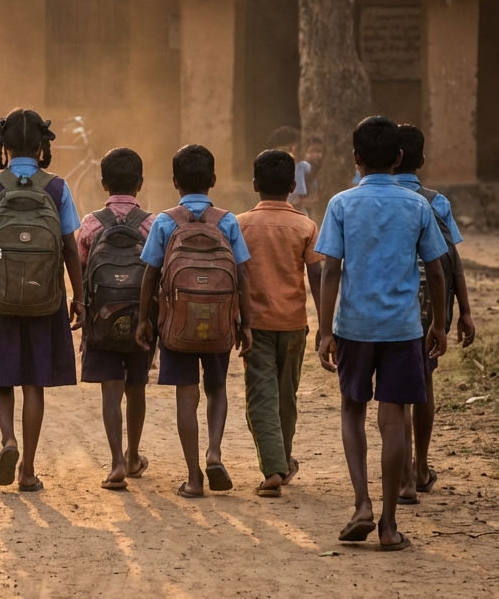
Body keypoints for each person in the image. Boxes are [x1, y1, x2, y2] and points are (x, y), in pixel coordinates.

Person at [316, 116, 449, 552]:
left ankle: (361, 505)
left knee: (352, 410)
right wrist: (440, 323)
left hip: (354, 326)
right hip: (402, 328)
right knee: (394, 420)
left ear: (355, 159)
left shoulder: (340, 204)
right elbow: (436, 268)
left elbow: (331, 269)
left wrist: (324, 329)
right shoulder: (418, 206)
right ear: (398, 158)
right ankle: (390, 526)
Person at [0, 108, 84, 493]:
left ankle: (8, 441)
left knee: (3, 376)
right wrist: (78, 296)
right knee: (34, 383)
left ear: (5, 146)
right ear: (43, 146)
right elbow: (69, 248)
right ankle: (28, 470)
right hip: (45, 299)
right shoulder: (58, 188)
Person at [136, 144, 253, 498]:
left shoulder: (165, 221)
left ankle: (193, 477)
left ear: (175, 182)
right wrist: (245, 323)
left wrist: (145, 320)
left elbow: (151, 275)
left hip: (177, 325)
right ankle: (214, 452)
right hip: (220, 322)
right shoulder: (228, 221)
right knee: (217, 388)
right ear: (214, 180)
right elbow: (242, 276)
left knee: (186, 397)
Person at [394, 123, 476, 503]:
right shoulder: (435, 201)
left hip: (391, 298)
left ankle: (404, 472)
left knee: (395, 390)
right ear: (421, 160)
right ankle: (421, 467)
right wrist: (464, 312)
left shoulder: (376, 198)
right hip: (432, 301)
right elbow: (451, 259)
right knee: (423, 381)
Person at [237, 149, 322, 498]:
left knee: (262, 397)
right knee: (286, 395)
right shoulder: (305, 225)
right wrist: (326, 327)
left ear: (255, 184)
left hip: (255, 325)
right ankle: (283, 461)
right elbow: (317, 275)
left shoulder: (240, 224)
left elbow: (234, 275)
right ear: (292, 185)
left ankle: (274, 468)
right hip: (293, 324)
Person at [77, 147, 155, 490]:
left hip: (101, 319)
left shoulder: (92, 224)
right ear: (140, 183)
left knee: (111, 389)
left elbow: (82, 270)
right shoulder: (152, 224)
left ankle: (116, 462)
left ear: (103, 183)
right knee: (136, 387)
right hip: (141, 321)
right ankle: (135, 454)